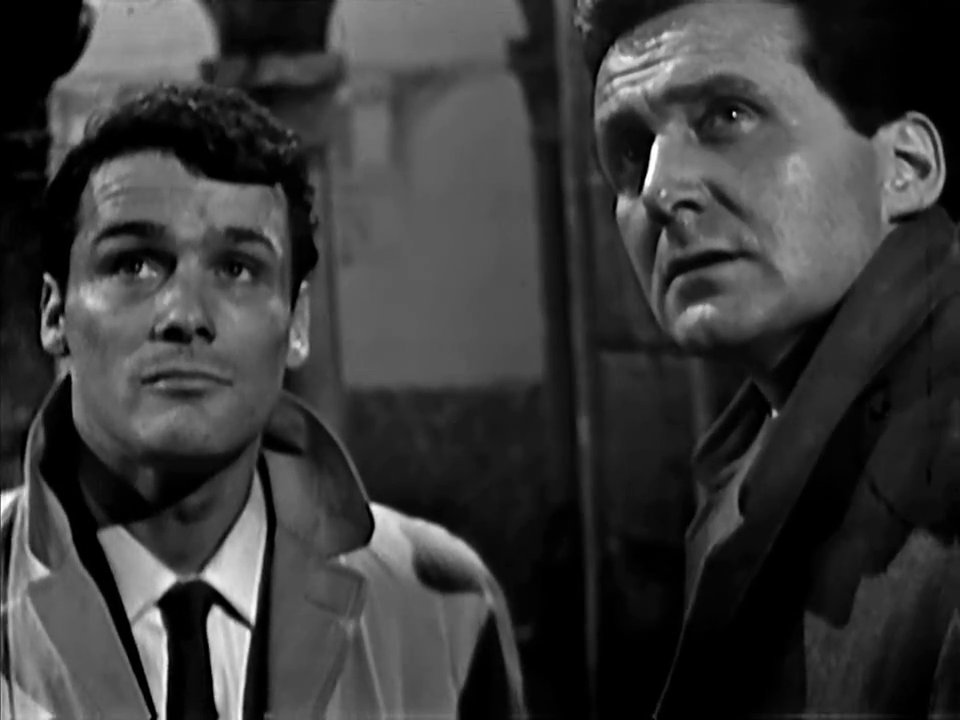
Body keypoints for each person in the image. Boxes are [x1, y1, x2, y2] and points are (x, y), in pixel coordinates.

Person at [0, 82, 525, 720]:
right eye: (134, 264)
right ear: (54, 314)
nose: (184, 314)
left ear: (298, 322)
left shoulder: (440, 605)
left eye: (236, 269)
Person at [578, 0, 960, 717]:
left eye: (727, 116)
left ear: (906, 167)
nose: (659, 191)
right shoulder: (753, 459)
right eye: (631, 150)